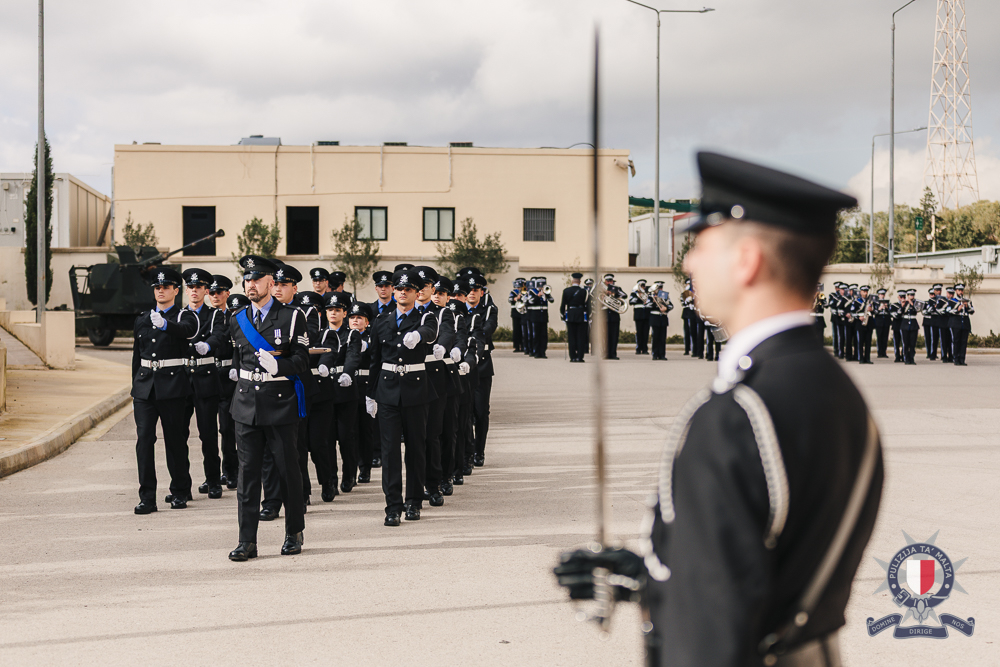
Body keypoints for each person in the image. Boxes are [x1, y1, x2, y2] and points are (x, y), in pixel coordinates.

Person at [555, 151, 883, 667]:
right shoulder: (835, 389)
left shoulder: (739, 414)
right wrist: (649, 574)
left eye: (699, 245)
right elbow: (768, 569)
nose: (688, 263)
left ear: (747, 259)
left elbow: (711, 631)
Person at [227, 255, 310, 561]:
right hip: (247, 403)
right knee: (247, 477)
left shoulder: (290, 317)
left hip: (279, 403)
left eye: (257, 279)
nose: (251, 285)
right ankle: (247, 540)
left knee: (288, 470)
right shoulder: (237, 319)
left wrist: (280, 364)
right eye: (247, 279)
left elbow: (303, 359)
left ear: (271, 283)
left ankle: (293, 531)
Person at [366, 269, 438, 526]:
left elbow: (432, 332)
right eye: (399, 289)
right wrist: (370, 394)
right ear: (394, 292)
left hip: (416, 391)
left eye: (408, 290)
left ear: (416, 293)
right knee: (389, 452)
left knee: (416, 448)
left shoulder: (425, 318)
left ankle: (414, 501)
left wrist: (418, 335)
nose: (403, 293)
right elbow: (374, 360)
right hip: (386, 391)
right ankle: (393, 505)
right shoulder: (381, 321)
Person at [131, 268, 199, 514]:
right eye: (157, 287)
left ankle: (180, 490)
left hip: (172, 387)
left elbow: (187, 331)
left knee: (175, 440)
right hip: (145, 387)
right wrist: (136, 385)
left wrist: (166, 325)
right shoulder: (142, 318)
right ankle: (147, 497)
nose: (161, 290)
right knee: (144, 440)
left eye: (166, 287)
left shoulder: (185, 316)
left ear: (175, 291)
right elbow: (137, 356)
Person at [180, 268, 224, 500]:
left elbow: (219, 335)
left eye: (199, 287)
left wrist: (208, 345)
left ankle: (213, 480)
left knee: (207, 434)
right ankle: (182, 486)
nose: (194, 291)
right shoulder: (178, 315)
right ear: (186, 290)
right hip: (182, 379)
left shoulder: (215, 315)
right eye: (191, 287)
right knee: (179, 434)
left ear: (206, 290)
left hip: (206, 378)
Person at [316, 292, 363, 497]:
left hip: (345, 390)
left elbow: (353, 356)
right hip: (324, 390)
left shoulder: (351, 334)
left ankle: (349, 474)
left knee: (346, 436)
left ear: (345, 312)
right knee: (326, 438)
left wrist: (347, 373)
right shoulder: (320, 334)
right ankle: (330, 480)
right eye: (329, 310)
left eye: (337, 310)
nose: (333, 313)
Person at [206, 275, 239, 490]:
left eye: (219, 292)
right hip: (208, 373)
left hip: (229, 375)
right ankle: (212, 474)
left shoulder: (234, 317)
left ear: (227, 293)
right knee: (207, 430)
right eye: (212, 292)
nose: (215, 296)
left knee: (227, 428)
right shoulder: (205, 317)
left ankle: (231, 471)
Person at [561, 273, 589, 363]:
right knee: (580, 337)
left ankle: (572, 357)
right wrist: (587, 315)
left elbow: (563, 305)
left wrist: (563, 316)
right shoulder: (584, 291)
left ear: (572, 281)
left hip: (570, 314)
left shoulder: (566, 291)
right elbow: (587, 305)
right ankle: (580, 357)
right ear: (580, 281)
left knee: (571, 336)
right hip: (581, 314)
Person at [601, 274, 627, 360]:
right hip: (604, 314)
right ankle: (605, 353)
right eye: (607, 281)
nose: (609, 282)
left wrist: (615, 294)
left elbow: (624, 295)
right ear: (605, 281)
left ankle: (613, 354)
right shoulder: (601, 290)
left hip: (614, 314)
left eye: (611, 280)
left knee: (614, 335)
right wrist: (604, 294)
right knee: (605, 336)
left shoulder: (617, 288)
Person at [948, 283, 974, 366]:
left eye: (962, 290)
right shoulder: (952, 301)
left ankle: (962, 359)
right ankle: (956, 358)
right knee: (956, 341)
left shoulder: (967, 300)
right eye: (959, 290)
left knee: (963, 342)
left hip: (965, 323)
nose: (960, 292)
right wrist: (957, 309)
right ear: (956, 291)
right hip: (956, 322)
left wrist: (967, 307)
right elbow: (948, 311)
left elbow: (972, 311)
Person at [648, 281, 673, 361]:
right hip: (655, 317)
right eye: (658, 288)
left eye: (661, 288)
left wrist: (666, 308)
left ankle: (662, 354)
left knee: (662, 338)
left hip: (663, 318)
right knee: (655, 337)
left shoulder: (665, 296)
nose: (660, 289)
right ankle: (655, 354)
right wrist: (653, 302)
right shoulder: (650, 296)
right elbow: (646, 305)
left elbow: (671, 305)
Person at [629, 279, 652, 355]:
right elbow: (631, 302)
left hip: (646, 315)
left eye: (643, 286)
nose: (642, 287)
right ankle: (638, 348)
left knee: (646, 333)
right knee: (639, 332)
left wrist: (646, 299)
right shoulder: (634, 293)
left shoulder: (648, 293)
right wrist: (638, 296)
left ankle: (645, 349)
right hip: (638, 315)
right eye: (641, 286)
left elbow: (651, 302)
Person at [900, 289, 920, 365]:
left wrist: (912, 304)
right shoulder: (904, 303)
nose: (912, 296)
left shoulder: (916, 303)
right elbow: (900, 312)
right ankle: (906, 358)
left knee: (912, 343)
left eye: (913, 295)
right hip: (905, 324)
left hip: (913, 324)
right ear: (907, 296)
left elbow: (917, 310)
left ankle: (911, 358)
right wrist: (902, 306)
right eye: (910, 295)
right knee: (906, 343)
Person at [508, 278, 525, 353]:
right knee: (516, 330)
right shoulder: (513, 292)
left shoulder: (525, 292)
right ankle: (517, 346)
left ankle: (524, 346)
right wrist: (516, 298)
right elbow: (510, 299)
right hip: (515, 312)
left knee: (523, 330)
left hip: (523, 311)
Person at [873, 288, 891, 358]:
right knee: (879, 337)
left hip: (886, 321)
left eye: (883, 294)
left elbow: (890, 312)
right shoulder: (875, 303)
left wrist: (886, 307)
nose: (882, 296)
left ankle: (884, 352)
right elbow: (874, 312)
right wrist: (879, 309)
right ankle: (879, 352)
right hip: (879, 321)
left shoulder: (887, 302)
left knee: (885, 337)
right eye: (880, 294)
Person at [890, 289, 905, 363]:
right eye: (901, 296)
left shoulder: (907, 305)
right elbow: (895, 315)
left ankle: (903, 355)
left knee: (904, 342)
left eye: (904, 296)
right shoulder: (894, 305)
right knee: (896, 342)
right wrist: (901, 308)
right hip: (896, 325)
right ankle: (897, 356)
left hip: (903, 325)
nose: (902, 298)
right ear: (898, 297)